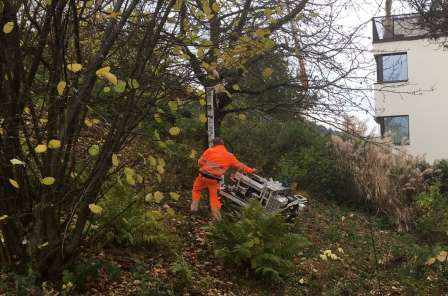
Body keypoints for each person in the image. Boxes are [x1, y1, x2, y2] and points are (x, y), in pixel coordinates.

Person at [191, 137, 255, 220]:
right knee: (214, 199)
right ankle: (217, 218)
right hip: (214, 180)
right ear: (223, 144)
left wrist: (206, 165)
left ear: (213, 144)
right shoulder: (229, 156)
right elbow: (240, 165)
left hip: (203, 176)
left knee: (196, 190)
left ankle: (194, 207)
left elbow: (200, 162)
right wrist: (251, 170)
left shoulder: (209, 151)